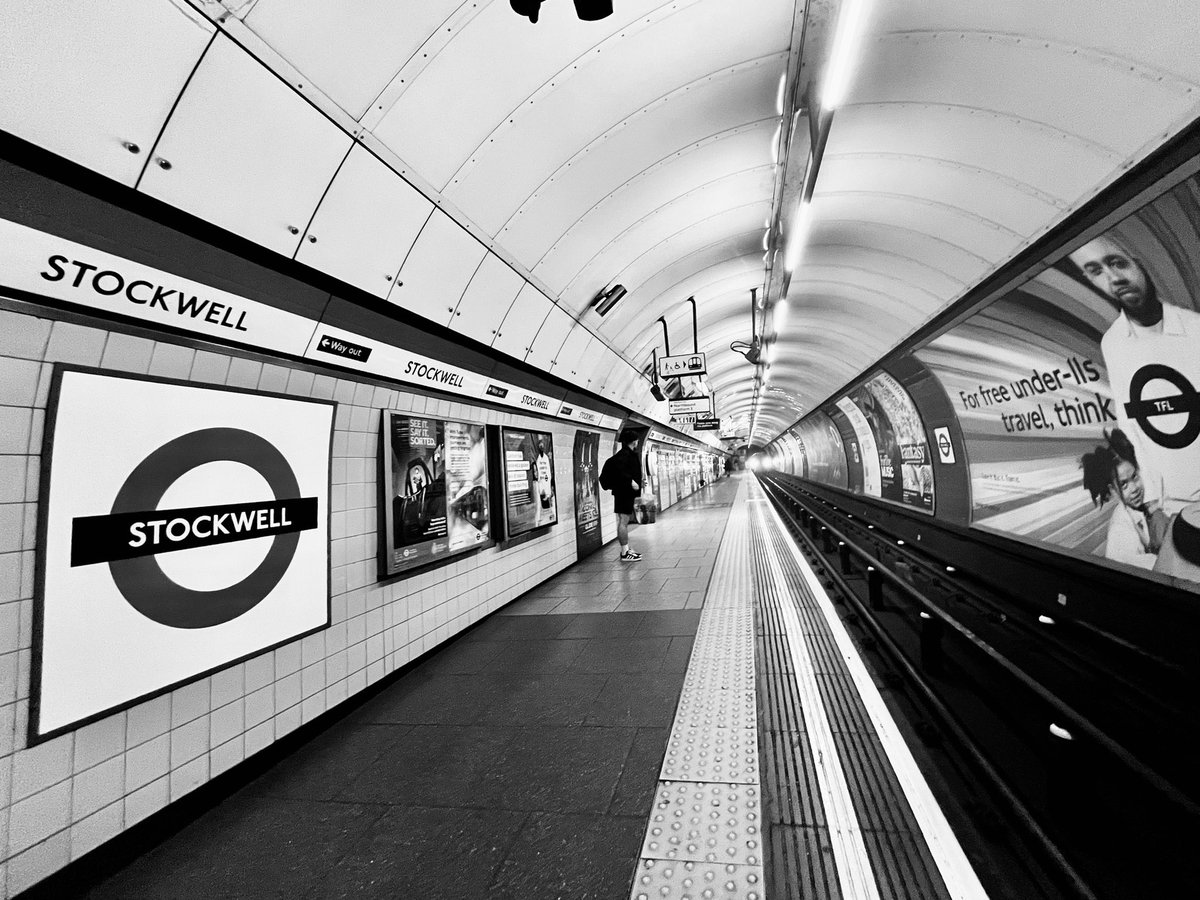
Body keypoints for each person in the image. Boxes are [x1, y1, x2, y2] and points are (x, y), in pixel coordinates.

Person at [1068, 235, 1200, 515]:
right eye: (1096, 271)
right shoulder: (1113, 342)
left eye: (1118, 263)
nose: (1113, 278)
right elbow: (1131, 424)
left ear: (1140, 261)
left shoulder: (1196, 328)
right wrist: (1152, 500)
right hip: (1172, 506)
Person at [1080, 428, 1168, 569]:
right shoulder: (1120, 530)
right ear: (1112, 489)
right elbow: (1155, 568)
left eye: (1134, 477)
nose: (1134, 488)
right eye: (1124, 485)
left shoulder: (1141, 506)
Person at [601, 431, 643, 561]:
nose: (637, 443)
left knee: (623, 521)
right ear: (634, 441)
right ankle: (625, 552)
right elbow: (621, 472)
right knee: (623, 522)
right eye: (637, 440)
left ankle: (626, 549)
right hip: (624, 493)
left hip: (624, 493)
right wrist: (631, 481)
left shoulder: (625, 454)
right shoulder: (624, 455)